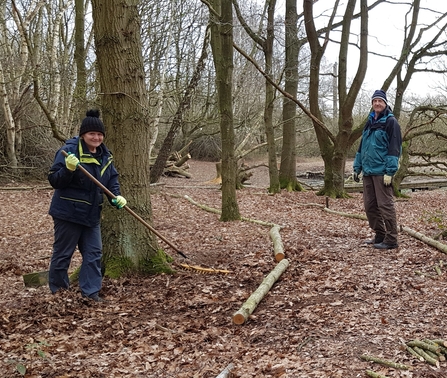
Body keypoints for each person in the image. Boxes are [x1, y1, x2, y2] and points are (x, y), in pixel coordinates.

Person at [48, 109, 127, 301]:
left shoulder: (105, 156)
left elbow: (112, 179)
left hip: (92, 215)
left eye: (100, 134)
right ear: (83, 134)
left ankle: (91, 293)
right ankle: (59, 292)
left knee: (94, 254)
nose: (96, 137)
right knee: (63, 254)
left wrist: (116, 196)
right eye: (92, 134)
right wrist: (68, 169)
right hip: (68, 212)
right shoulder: (69, 151)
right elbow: (54, 180)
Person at [353, 90, 402, 250]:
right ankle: (380, 234)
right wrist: (357, 167)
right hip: (368, 171)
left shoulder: (390, 122)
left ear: (385, 103)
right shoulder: (369, 122)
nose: (377, 104)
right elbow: (362, 147)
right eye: (374, 101)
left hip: (382, 172)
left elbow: (395, 148)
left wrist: (390, 171)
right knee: (370, 206)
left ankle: (391, 239)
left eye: (380, 101)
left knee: (385, 205)